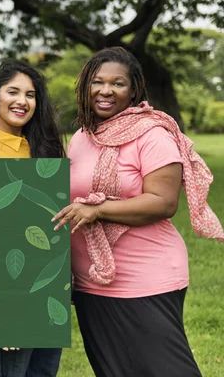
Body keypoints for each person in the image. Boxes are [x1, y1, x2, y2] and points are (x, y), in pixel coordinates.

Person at [52, 47, 224, 377]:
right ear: (85, 86)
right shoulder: (82, 137)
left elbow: (163, 202)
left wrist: (99, 210)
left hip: (145, 278)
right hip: (93, 283)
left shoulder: (153, 135)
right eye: (97, 82)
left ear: (133, 90)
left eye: (117, 83)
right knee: (114, 370)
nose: (105, 90)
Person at [0, 59, 65, 376]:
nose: (21, 101)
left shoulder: (44, 151)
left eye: (30, 95)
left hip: (45, 280)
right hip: (4, 281)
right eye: (13, 92)